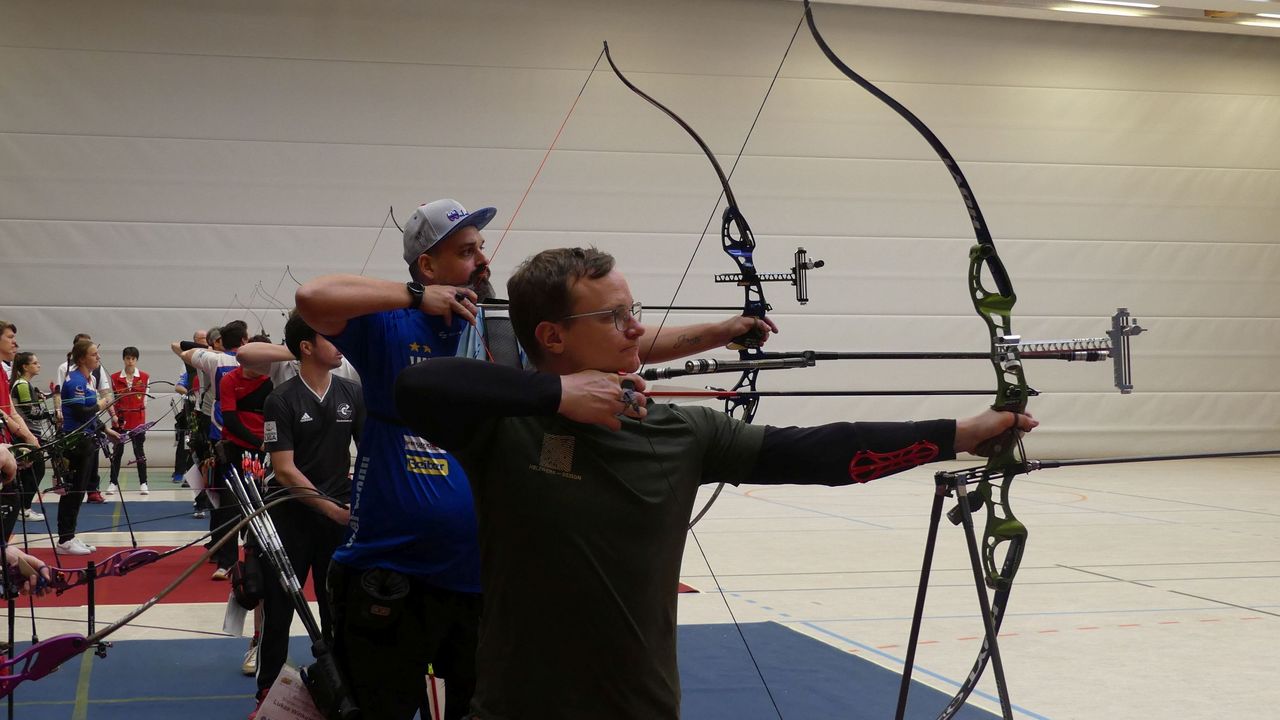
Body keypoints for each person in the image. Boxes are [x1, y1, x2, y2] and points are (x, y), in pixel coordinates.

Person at [392, 247, 1039, 720]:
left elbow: (817, 453)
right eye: (615, 316)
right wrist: (557, 394)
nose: (637, 328)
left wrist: (957, 432)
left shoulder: (680, 431)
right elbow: (414, 388)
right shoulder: (503, 431)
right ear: (553, 336)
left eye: (634, 311)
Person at [297, 200, 782, 719]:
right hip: (392, 573)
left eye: (481, 247)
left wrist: (724, 330)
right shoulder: (389, 325)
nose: (482, 259)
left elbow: (624, 340)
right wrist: (416, 297)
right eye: (464, 251)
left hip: (485, 583)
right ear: (427, 266)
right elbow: (312, 299)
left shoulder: (502, 330)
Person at [248, 311, 364, 715]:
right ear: (306, 348)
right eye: (330, 336)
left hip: (338, 519)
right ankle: (267, 696)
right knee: (279, 611)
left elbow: (369, 455)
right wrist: (333, 509)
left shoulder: (352, 392)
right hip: (289, 517)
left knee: (338, 612)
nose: (340, 343)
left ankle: (340, 694)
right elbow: (284, 469)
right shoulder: (280, 399)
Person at [58, 340, 121, 555]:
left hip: (87, 438)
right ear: (82, 358)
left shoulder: (90, 379)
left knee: (81, 489)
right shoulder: (74, 381)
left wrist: (105, 430)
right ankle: (65, 540)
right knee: (73, 491)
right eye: (94, 354)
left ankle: (70, 536)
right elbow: (81, 412)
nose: (98, 357)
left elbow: (91, 415)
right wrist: (104, 403)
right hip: (75, 442)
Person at [9, 352, 55, 522]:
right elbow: (29, 412)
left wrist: (40, 399)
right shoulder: (21, 384)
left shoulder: (25, 384)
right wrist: (49, 412)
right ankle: (23, 508)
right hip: (25, 435)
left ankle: (22, 508)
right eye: (35, 363)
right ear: (25, 367)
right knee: (36, 471)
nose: (39, 365)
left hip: (29, 433)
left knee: (30, 472)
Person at [108, 346, 151, 496]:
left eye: (133, 358)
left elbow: (145, 400)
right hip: (120, 421)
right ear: (124, 359)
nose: (130, 361)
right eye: (128, 358)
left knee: (139, 452)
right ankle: (113, 483)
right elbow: (111, 399)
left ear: (136, 360)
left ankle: (143, 483)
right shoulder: (114, 378)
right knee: (117, 452)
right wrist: (114, 416)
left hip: (138, 420)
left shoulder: (145, 377)